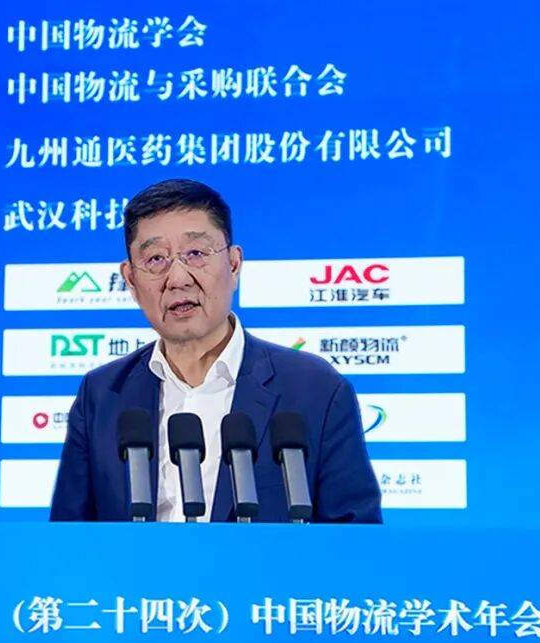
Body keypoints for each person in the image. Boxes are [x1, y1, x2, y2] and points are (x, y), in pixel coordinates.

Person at [50, 179, 382, 523]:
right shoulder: (101, 395)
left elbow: (355, 539)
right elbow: (66, 538)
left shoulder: (315, 390)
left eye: (196, 254)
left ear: (234, 264)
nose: (178, 278)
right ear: (131, 280)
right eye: (156, 259)